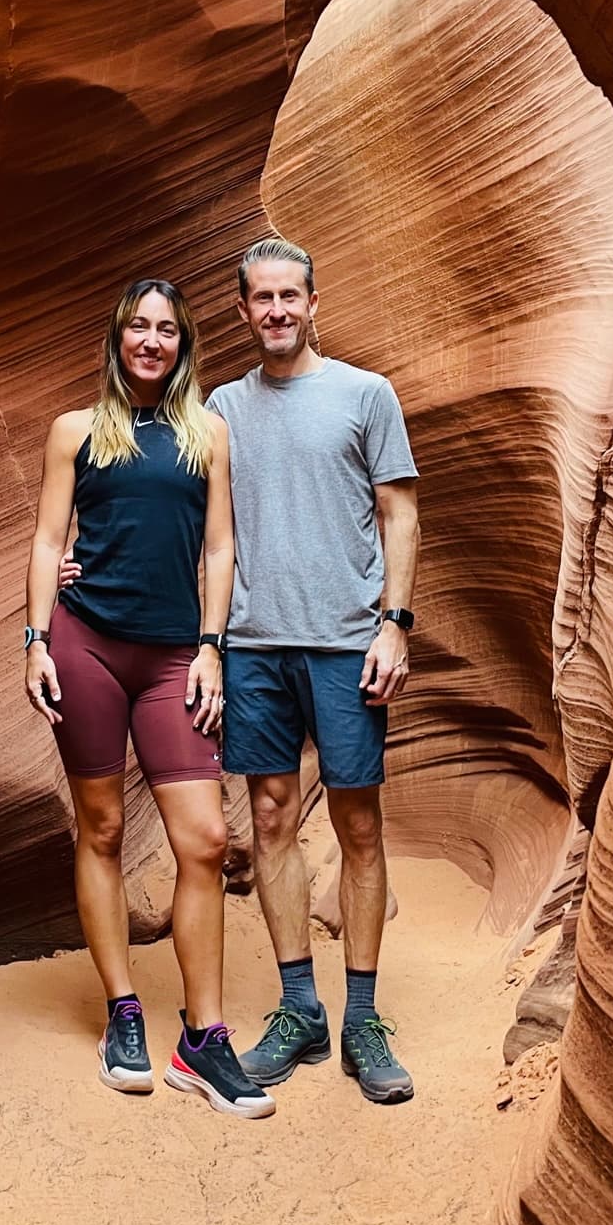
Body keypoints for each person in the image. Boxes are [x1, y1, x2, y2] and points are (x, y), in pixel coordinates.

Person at [23, 277, 274, 1119]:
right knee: (99, 829)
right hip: (86, 644)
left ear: (183, 344)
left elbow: (220, 546)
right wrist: (36, 640)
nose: (152, 341)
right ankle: (124, 1012)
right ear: (118, 337)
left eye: (167, 329)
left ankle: (203, 1040)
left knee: (205, 839)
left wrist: (211, 647)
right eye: (139, 326)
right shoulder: (76, 431)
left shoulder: (208, 433)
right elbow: (49, 539)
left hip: (174, 658)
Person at [211, 237, 420, 1103]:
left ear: (313, 302)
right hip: (255, 642)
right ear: (243, 310)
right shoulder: (222, 407)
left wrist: (395, 625)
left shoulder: (366, 395)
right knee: (268, 816)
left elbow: (400, 514)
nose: (277, 311)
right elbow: (202, 526)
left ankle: (363, 1019)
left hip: (345, 641)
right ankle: (300, 1009)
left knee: (358, 822)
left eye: (289, 296)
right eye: (262, 298)